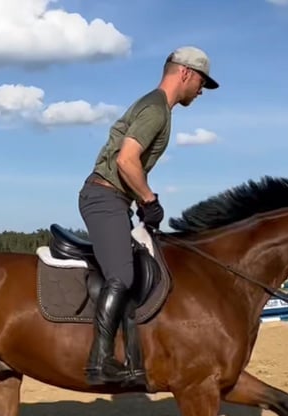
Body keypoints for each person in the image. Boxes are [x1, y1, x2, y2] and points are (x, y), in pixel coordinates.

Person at [78, 46, 219, 386]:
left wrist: (142, 202)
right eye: (201, 81)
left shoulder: (158, 108)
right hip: (104, 197)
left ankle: (135, 360)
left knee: (140, 270)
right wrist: (148, 199)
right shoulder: (156, 108)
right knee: (122, 276)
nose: (201, 90)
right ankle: (99, 362)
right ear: (184, 73)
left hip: (114, 199)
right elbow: (127, 160)